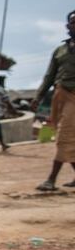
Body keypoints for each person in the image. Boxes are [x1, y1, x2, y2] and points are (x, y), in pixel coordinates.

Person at [32, 10, 75, 191]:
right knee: (63, 135)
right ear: (67, 26)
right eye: (73, 22)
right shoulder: (60, 50)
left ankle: (51, 179)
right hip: (59, 95)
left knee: (65, 136)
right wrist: (38, 97)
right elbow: (49, 76)